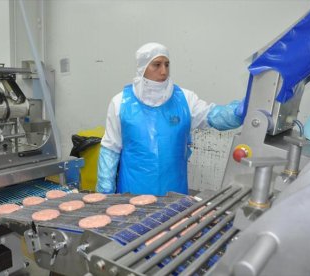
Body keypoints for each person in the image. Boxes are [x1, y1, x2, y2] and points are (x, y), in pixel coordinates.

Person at [96, 42, 243, 196]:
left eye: (167, 64)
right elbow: (110, 149)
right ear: (142, 67)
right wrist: (105, 193)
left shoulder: (185, 99)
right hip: (132, 193)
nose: (163, 71)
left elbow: (214, 117)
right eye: (156, 65)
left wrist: (240, 111)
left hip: (174, 193)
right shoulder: (120, 103)